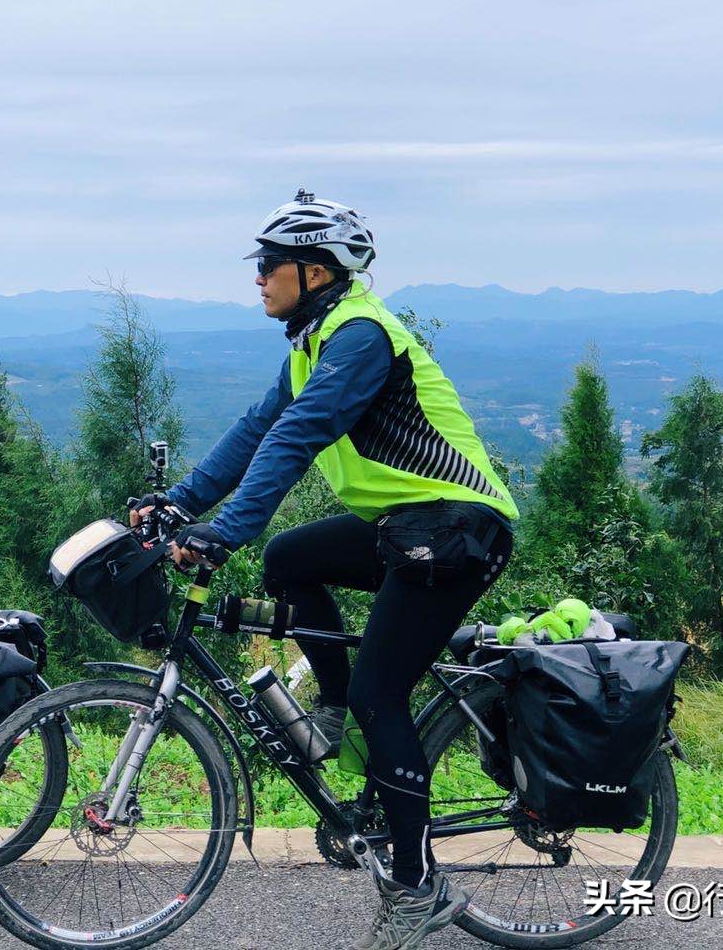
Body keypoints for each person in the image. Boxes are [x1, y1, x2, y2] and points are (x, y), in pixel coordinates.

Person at [131, 189, 517, 950]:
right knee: (289, 559)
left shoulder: (362, 336)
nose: (259, 278)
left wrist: (226, 531)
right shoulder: (315, 340)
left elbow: (302, 434)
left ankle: (416, 887)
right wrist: (179, 504)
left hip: (457, 526)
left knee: (385, 694)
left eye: (271, 264)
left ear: (315, 270)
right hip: (406, 526)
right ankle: (337, 709)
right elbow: (258, 429)